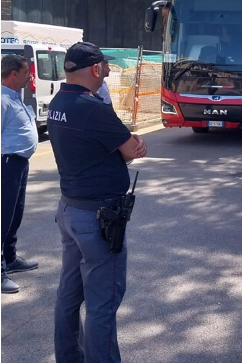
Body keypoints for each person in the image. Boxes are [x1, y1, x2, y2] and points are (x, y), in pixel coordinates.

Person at [48, 42, 148, 363]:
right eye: (105, 67)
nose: (107, 72)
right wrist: (130, 146)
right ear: (94, 69)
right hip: (98, 218)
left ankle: (68, 357)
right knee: (103, 303)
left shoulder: (58, 102)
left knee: (69, 294)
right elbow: (131, 149)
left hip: (70, 209)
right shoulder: (93, 108)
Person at [1, 55, 40, 294]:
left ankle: (10, 258)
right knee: (2, 217)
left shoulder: (15, 98)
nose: (30, 76)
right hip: (6, 164)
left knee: (14, 215)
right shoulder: (3, 101)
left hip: (19, 164)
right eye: (26, 72)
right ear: (13, 74)